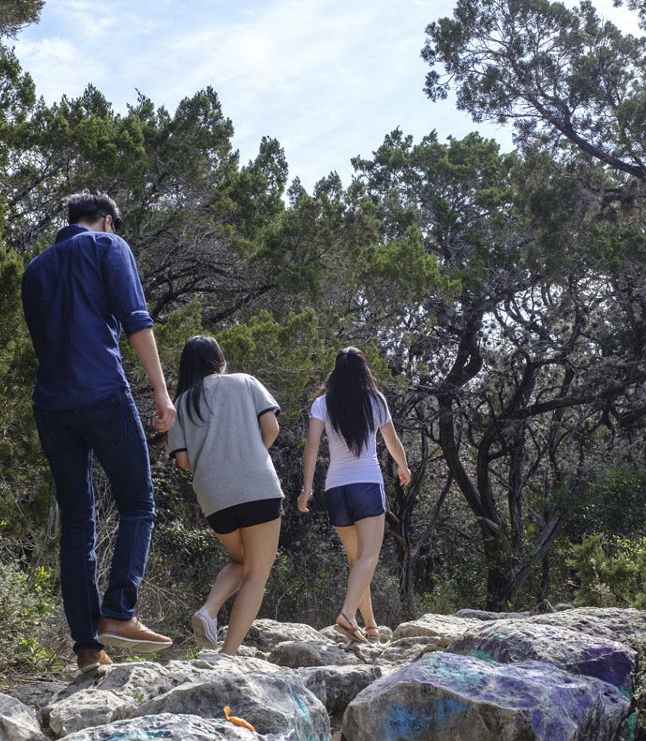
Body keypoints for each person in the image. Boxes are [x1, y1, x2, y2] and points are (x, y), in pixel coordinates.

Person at [21, 190, 176, 674]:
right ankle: (119, 611)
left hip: (51, 404)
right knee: (138, 502)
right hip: (103, 394)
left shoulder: (35, 270)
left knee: (77, 523)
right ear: (107, 221)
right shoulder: (110, 247)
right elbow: (136, 321)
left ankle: (88, 648)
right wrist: (162, 393)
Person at [168, 336, 284, 655]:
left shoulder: (181, 403)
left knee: (244, 560)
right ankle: (228, 654)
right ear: (219, 359)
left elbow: (183, 460)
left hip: (214, 497)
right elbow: (271, 428)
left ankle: (208, 611)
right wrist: (248, 456)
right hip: (257, 486)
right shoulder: (244, 382)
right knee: (257, 573)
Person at [297, 347, 410, 643]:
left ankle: (370, 625)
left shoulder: (322, 403)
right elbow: (392, 440)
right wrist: (403, 466)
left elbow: (311, 446)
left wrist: (306, 488)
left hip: (336, 489)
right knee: (369, 557)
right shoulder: (375, 400)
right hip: (367, 486)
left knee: (357, 561)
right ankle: (347, 615)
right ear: (364, 371)